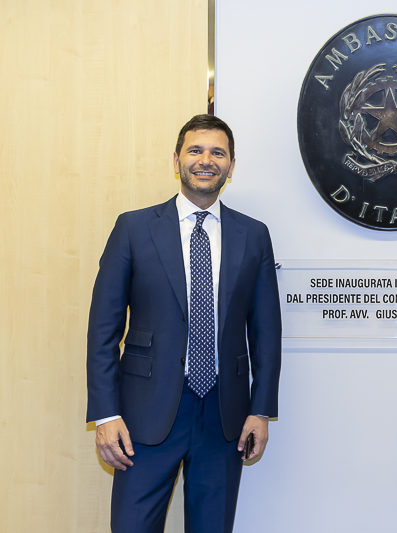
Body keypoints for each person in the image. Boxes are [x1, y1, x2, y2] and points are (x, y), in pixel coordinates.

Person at [86, 114, 282, 533]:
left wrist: (261, 409)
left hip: (224, 418)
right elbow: (103, 329)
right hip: (142, 417)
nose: (205, 160)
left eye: (218, 152)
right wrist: (106, 415)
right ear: (176, 160)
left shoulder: (254, 235)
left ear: (231, 165)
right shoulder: (133, 229)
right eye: (195, 150)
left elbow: (266, 332)